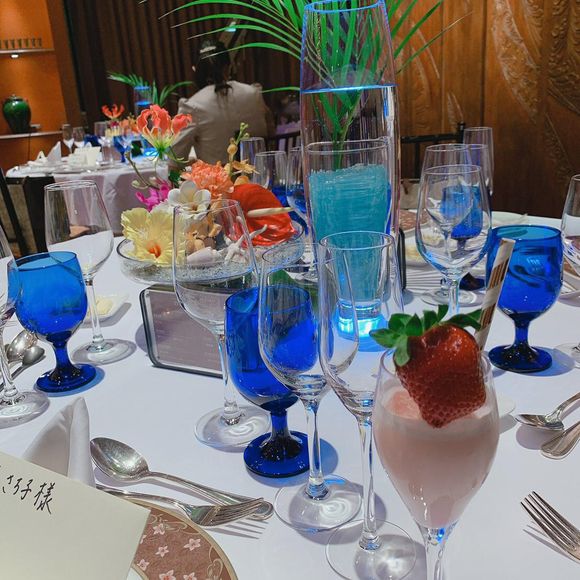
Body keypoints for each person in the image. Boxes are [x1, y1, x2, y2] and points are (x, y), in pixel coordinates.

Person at [172, 41, 275, 165]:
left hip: (219, 177)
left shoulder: (192, 106)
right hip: (260, 174)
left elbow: (175, 159)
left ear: (195, 70)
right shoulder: (254, 93)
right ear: (229, 67)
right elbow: (271, 134)